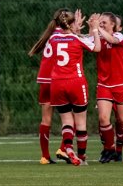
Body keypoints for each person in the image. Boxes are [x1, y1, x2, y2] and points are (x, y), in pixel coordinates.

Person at [31, 9, 101, 166]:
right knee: (79, 119)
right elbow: (94, 46)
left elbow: (70, 37)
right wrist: (93, 29)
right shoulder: (75, 38)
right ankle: (76, 154)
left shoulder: (52, 36)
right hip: (73, 81)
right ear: (70, 24)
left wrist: (74, 29)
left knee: (52, 119)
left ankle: (47, 155)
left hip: (51, 80)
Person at [94, 12, 123, 164]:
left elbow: (111, 39)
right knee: (103, 118)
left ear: (113, 25)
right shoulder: (98, 37)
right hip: (104, 85)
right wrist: (78, 29)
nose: (101, 24)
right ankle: (110, 149)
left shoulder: (120, 37)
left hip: (122, 85)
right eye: (101, 22)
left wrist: (97, 28)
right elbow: (82, 41)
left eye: (104, 22)